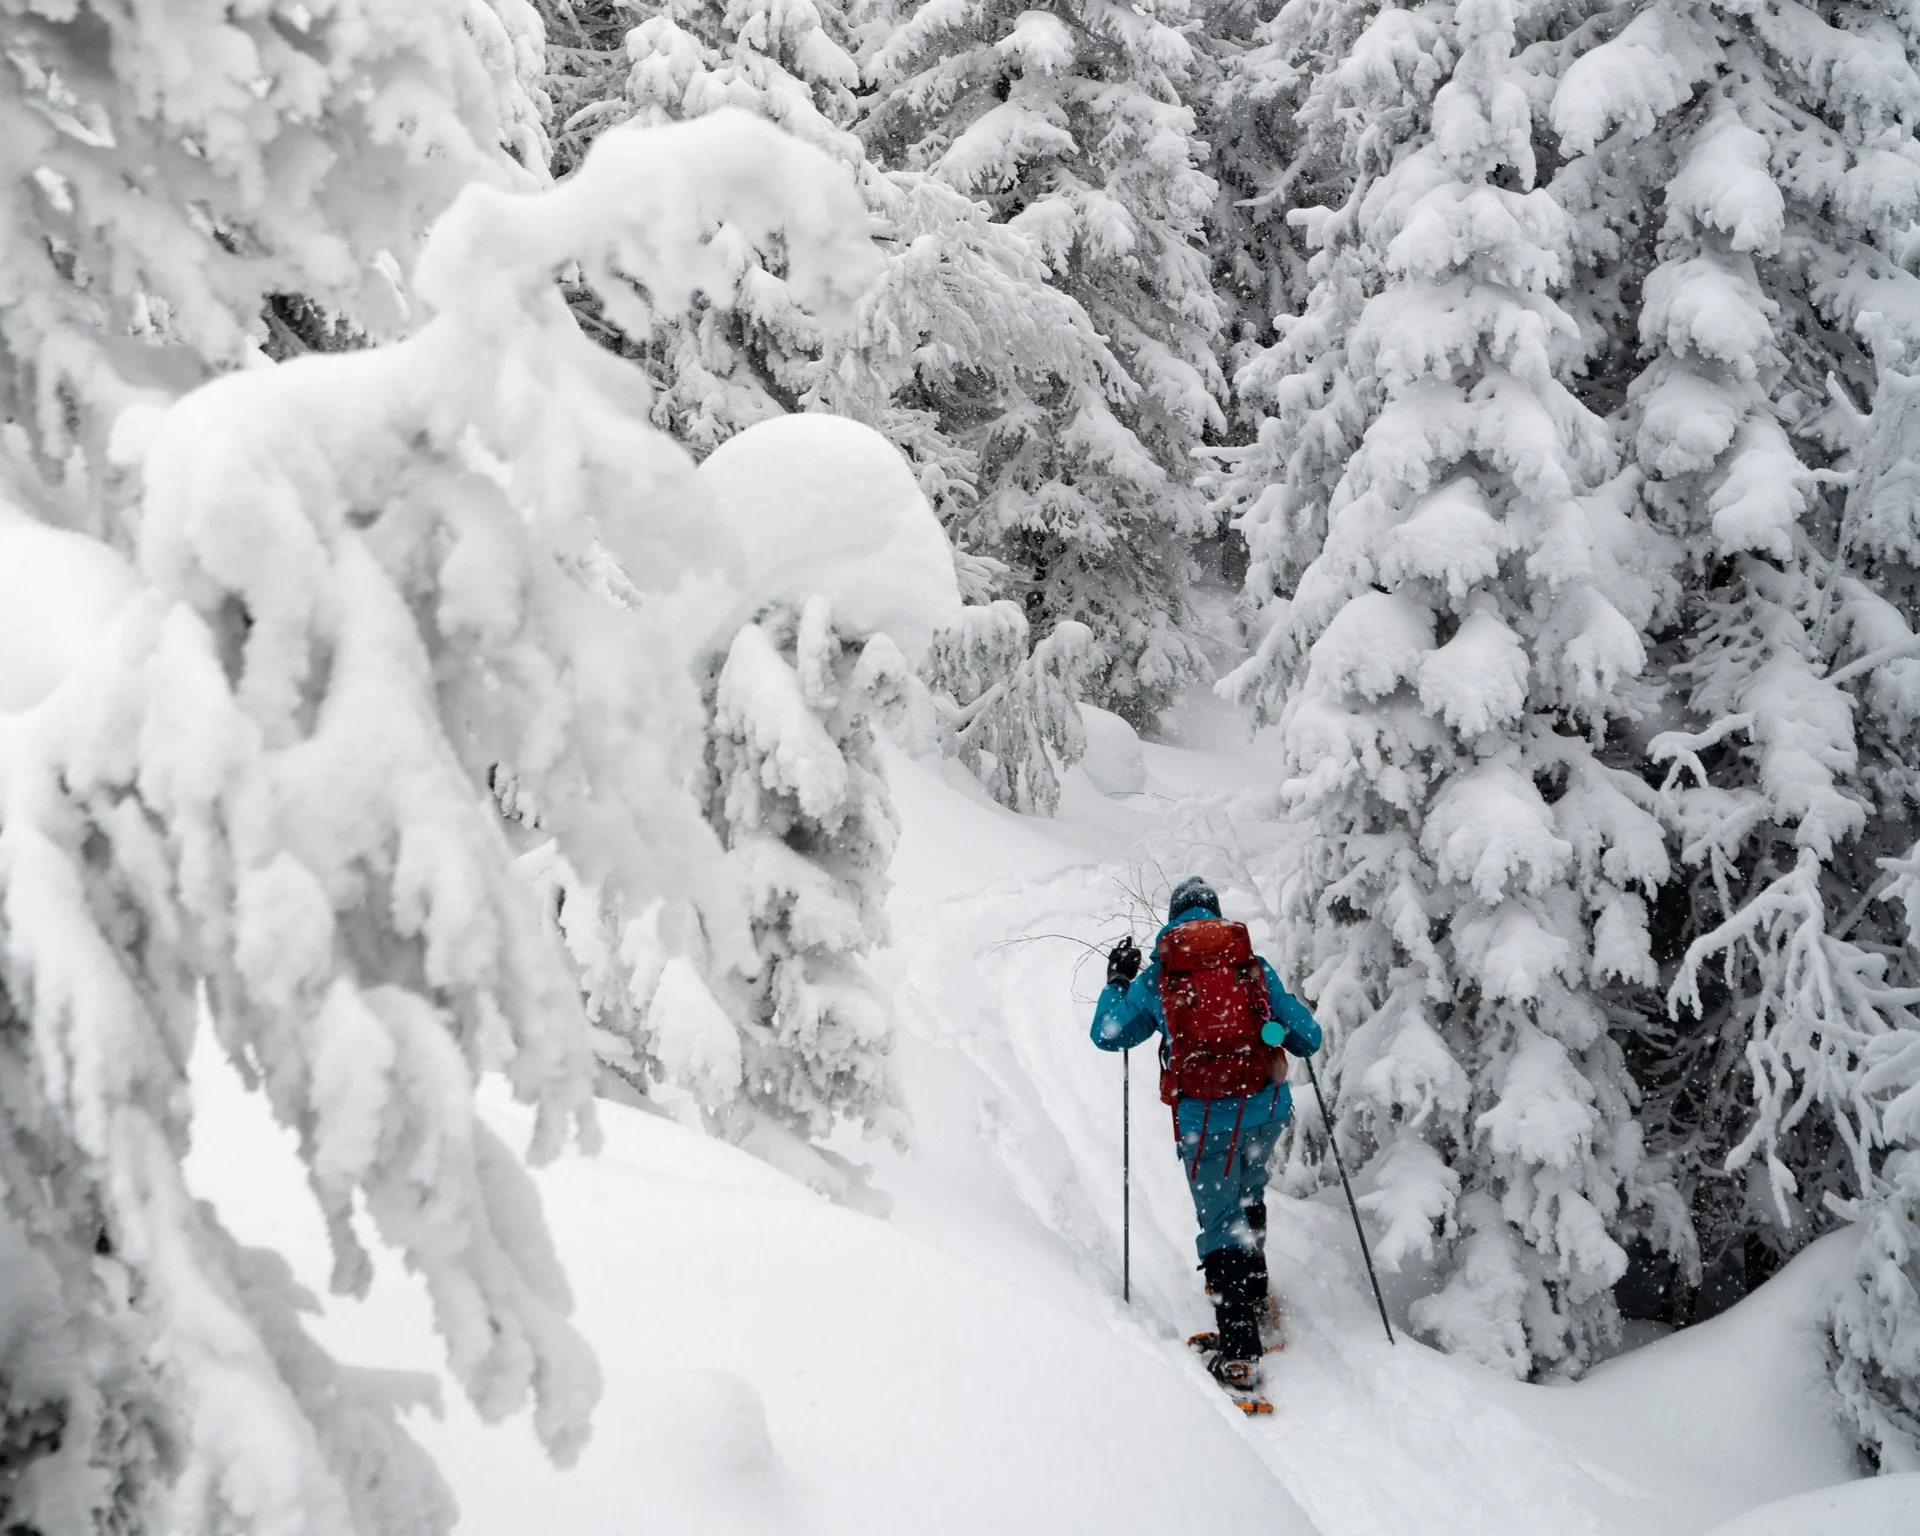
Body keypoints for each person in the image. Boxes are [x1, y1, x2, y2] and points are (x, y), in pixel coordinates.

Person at [1091, 877, 1322, 1395]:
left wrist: (1116, 982)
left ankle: (1239, 1352)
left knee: (1221, 1221)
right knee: (1250, 1193)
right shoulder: (1252, 968)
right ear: (1218, 918)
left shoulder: (1160, 979)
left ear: (1174, 919)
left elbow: (1107, 1035)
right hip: (1265, 1111)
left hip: (1205, 1122)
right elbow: (1310, 1037)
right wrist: (1272, 1029)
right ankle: (1254, 1292)